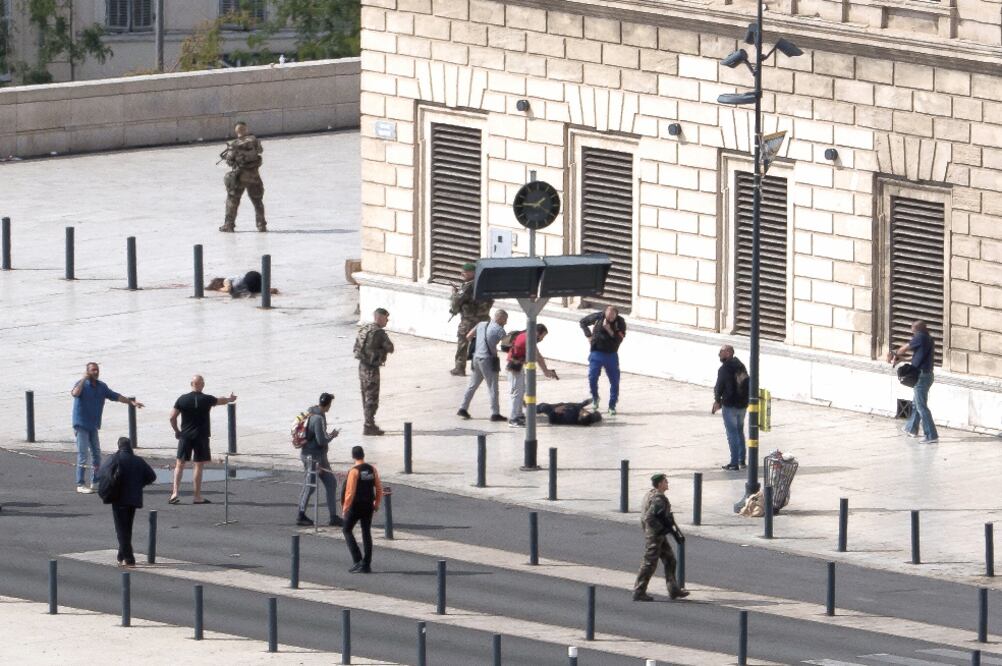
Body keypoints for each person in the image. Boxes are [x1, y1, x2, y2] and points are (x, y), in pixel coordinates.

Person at [70, 363, 144, 494]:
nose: (96, 372)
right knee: (83, 454)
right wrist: (83, 379)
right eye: (93, 370)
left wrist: (131, 402)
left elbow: (116, 396)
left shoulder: (101, 386)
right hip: (81, 424)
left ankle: (95, 481)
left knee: (96, 454)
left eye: (97, 370)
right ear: (87, 372)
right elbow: (75, 393)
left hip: (93, 425)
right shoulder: (82, 384)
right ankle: (80, 484)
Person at [168, 375, 237, 504]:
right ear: (203, 385)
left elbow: (172, 417)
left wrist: (177, 431)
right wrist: (230, 399)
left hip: (185, 436)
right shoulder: (206, 399)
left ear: (191, 384)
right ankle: (197, 496)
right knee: (198, 465)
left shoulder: (182, 399)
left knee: (180, 464)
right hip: (201, 436)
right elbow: (220, 401)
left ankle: (174, 493)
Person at [100, 437, 156, 567]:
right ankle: (121, 555)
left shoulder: (115, 458)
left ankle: (129, 558)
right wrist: (139, 484)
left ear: (119, 446)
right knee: (127, 528)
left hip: (118, 499)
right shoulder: (138, 460)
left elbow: (102, 473)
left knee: (121, 530)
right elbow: (152, 476)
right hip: (133, 499)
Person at [633, 473, 689, 602]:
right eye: (665, 482)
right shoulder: (658, 499)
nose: (667, 483)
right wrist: (662, 529)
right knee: (649, 563)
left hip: (657, 534)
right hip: (655, 535)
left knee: (670, 560)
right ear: (659, 484)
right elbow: (649, 517)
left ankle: (673, 589)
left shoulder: (651, 494)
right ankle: (639, 591)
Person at [888, 320, 939, 444]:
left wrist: (893, 354)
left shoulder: (920, 337)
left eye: (913, 331)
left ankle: (931, 435)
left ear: (916, 330)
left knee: (921, 406)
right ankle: (911, 428)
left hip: (921, 376)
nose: (913, 333)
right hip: (927, 375)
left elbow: (903, 349)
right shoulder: (929, 339)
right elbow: (916, 357)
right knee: (917, 404)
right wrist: (902, 360)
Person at [296, 392, 342, 527]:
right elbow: (321, 440)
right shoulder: (318, 418)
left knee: (331, 483)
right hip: (313, 457)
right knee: (309, 486)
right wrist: (332, 435)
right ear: (328, 404)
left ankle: (333, 517)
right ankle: (300, 515)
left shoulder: (313, 414)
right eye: (330, 404)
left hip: (319, 456)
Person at [457, 309, 508, 422]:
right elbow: (506, 345)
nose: (506, 322)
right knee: (493, 387)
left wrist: (479, 342)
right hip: (488, 360)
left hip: (476, 358)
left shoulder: (482, 324)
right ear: (500, 318)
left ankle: (463, 408)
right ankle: (495, 413)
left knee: (472, 385)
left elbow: (469, 336)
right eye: (505, 319)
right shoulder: (500, 330)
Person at [506, 324, 558, 427]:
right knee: (516, 393)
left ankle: (519, 415)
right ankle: (513, 419)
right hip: (514, 367)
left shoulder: (526, 335)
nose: (542, 339)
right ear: (539, 333)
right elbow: (538, 356)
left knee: (520, 391)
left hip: (517, 366)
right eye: (543, 336)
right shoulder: (529, 338)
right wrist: (546, 371)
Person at [219, 120, 266, 232]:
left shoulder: (233, 144)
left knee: (232, 200)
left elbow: (230, 161)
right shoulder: (254, 140)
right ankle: (261, 224)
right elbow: (260, 151)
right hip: (254, 175)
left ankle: (229, 225)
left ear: (236, 131)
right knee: (257, 201)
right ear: (246, 129)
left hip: (240, 176)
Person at [342, 445, 383, 573]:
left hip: (356, 506)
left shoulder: (354, 471)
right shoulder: (372, 469)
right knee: (366, 533)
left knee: (347, 530)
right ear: (363, 455)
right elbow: (379, 488)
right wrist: (376, 504)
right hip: (368, 506)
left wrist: (345, 508)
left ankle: (357, 560)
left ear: (353, 456)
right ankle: (366, 564)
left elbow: (350, 492)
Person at [579, 306, 627, 415]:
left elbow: (619, 338)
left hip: (611, 354)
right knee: (592, 377)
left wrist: (608, 328)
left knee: (614, 381)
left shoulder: (620, 322)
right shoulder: (598, 317)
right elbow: (583, 322)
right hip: (596, 352)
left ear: (616, 315)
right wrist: (589, 336)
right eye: (608, 316)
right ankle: (595, 397)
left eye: (612, 317)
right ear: (605, 313)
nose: (609, 318)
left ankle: (612, 405)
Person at [354, 308, 395, 436]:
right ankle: (369, 425)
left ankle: (368, 422)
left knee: (365, 396)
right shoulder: (379, 333)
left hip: (362, 367)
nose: (387, 321)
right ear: (380, 318)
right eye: (386, 318)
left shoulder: (365, 328)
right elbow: (390, 348)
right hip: (372, 369)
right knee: (372, 398)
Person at [449, 262, 493, 376]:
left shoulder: (468, 286)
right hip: (484, 319)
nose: (462, 273)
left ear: (472, 273)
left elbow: (457, 301)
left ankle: (459, 368)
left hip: (469, 320)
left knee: (463, 343)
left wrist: (454, 293)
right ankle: (486, 369)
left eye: (465, 271)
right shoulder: (484, 283)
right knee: (484, 344)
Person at [711, 345, 750, 471]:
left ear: (728, 353)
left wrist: (717, 401)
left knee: (732, 434)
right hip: (742, 405)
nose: (719, 355)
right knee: (739, 432)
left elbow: (719, 387)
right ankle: (741, 460)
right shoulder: (741, 366)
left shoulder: (724, 369)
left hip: (730, 405)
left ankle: (734, 463)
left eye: (721, 352)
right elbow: (746, 383)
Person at [205, 271, 278, 297]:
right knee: (260, 290)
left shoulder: (226, 280)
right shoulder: (235, 282)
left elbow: (227, 289)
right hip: (251, 279)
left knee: (257, 290)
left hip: (249, 278)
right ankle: (272, 290)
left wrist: (218, 289)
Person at [536, 399, 603, 426]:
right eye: (586, 412)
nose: (584, 411)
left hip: (556, 411)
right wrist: (586, 402)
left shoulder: (570, 417)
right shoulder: (589, 417)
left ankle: (530, 408)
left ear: (580, 417)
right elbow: (597, 415)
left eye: (583, 413)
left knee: (543, 407)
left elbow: (552, 421)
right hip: (566, 406)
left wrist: (554, 411)